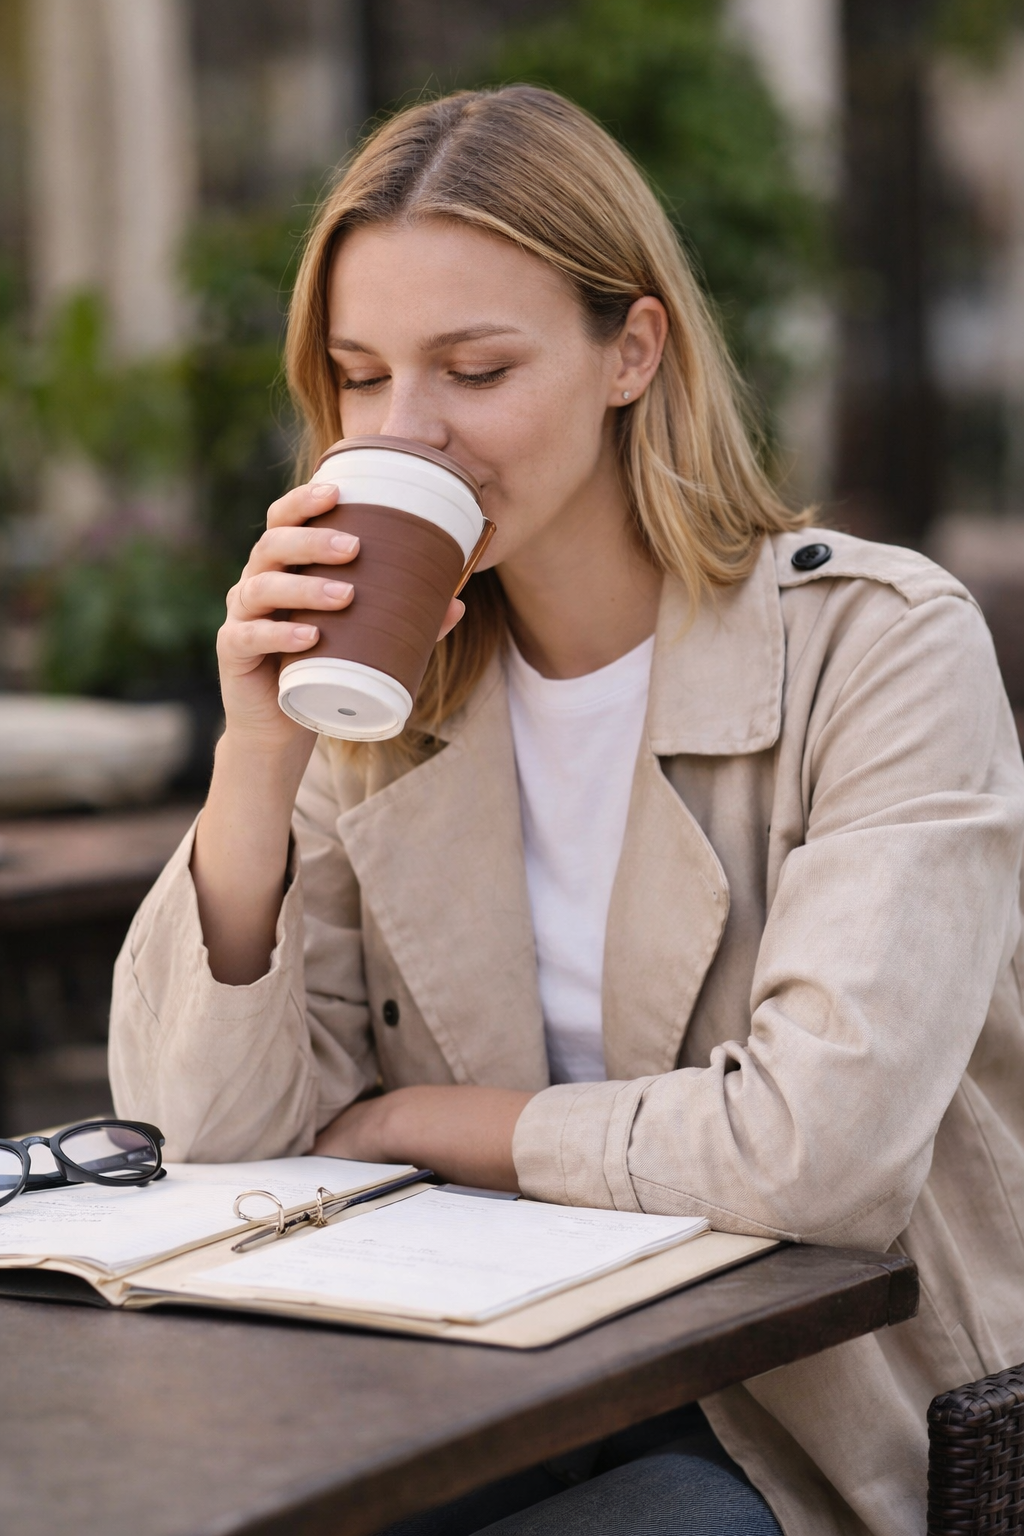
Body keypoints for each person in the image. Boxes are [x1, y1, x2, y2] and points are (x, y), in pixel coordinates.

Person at [108, 87, 1024, 1536]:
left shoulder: (878, 647)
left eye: (475, 369)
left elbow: (817, 1157)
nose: (409, 431)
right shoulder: (390, 700)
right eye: (360, 377)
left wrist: (426, 1120)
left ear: (632, 353)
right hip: (477, 1375)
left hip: (813, 1407)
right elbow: (209, 1147)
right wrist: (260, 752)